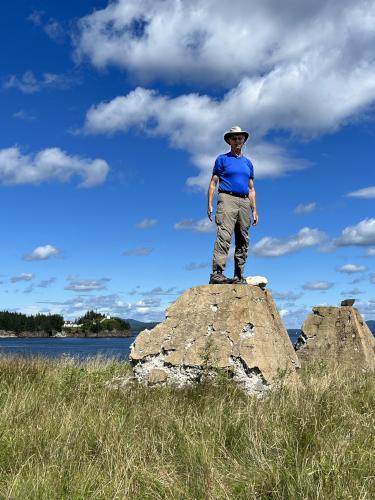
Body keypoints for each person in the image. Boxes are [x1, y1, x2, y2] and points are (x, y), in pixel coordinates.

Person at [207, 126, 258, 284]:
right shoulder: (222, 159)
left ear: (244, 141)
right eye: (234, 138)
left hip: (244, 201)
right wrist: (209, 204)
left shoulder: (248, 164)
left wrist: (254, 210)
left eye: (240, 138)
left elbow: (251, 189)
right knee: (224, 236)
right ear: (229, 141)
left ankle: (239, 275)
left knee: (243, 238)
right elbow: (213, 183)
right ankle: (217, 273)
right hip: (226, 198)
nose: (237, 141)